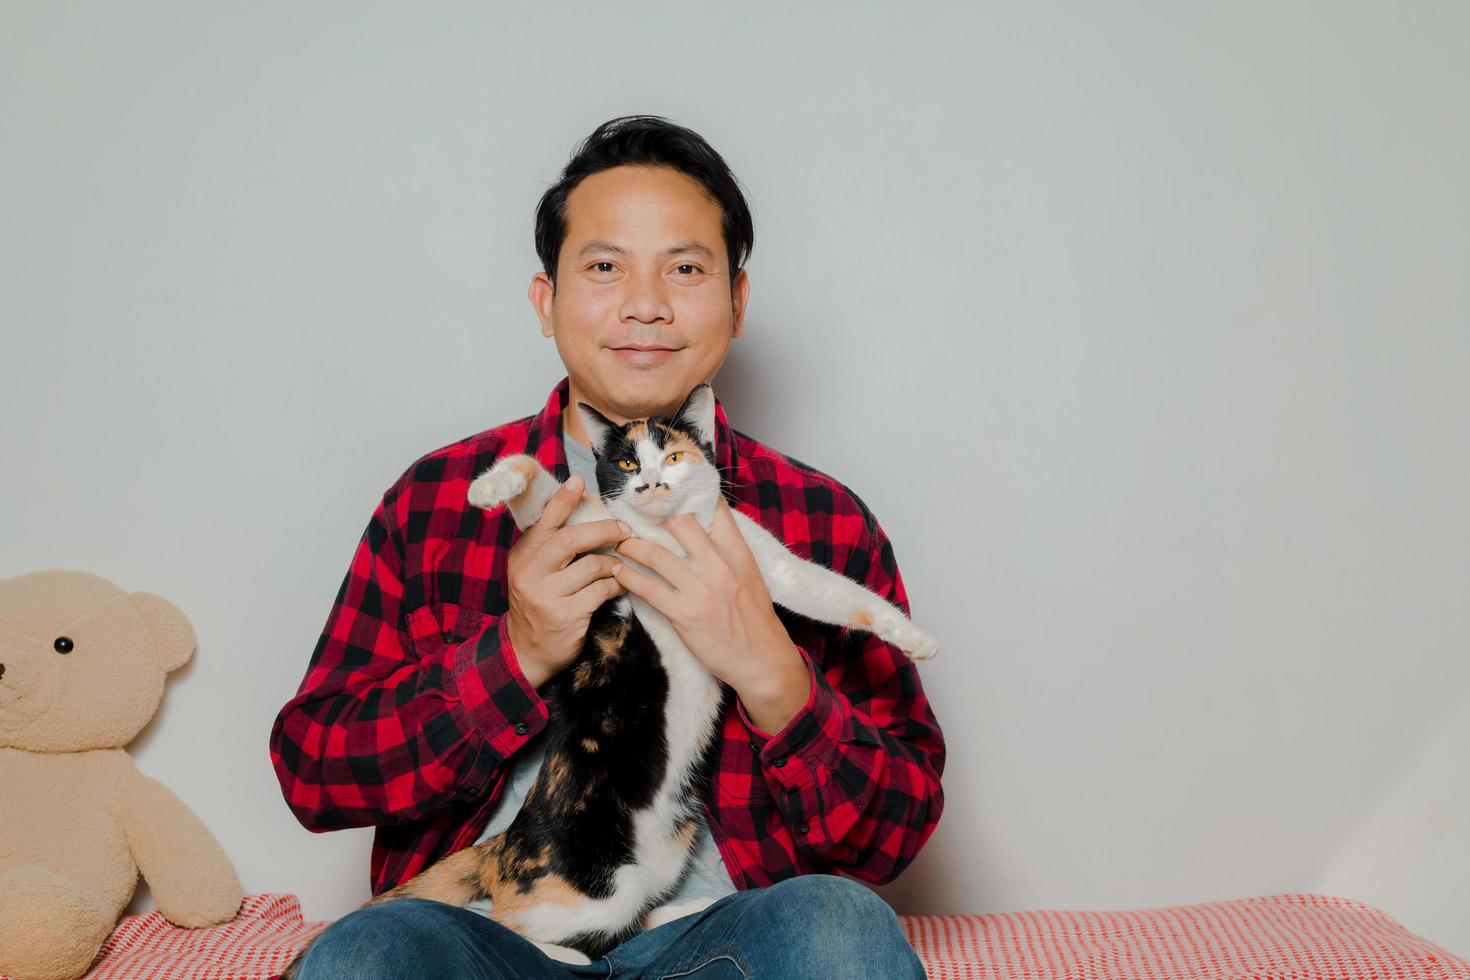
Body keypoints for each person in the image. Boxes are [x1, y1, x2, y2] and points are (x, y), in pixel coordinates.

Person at [269, 115, 944, 979]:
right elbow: (314, 770)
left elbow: (897, 830)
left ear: (737, 303)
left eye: (687, 268)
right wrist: (513, 654)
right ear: (546, 300)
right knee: (364, 955)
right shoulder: (441, 500)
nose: (646, 304)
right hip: (487, 941)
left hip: (718, 941)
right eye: (603, 266)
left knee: (840, 926)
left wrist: (773, 674)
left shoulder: (822, 518)